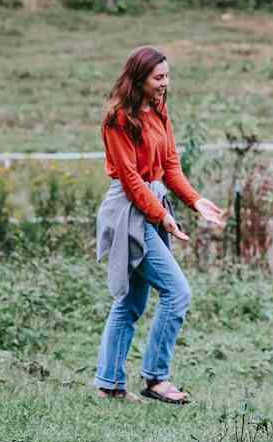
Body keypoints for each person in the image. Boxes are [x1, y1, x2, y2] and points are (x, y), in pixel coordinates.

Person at [94, 46, 225, 403]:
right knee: (177, 292)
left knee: (132, 301)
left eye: (167, 76)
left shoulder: (160, 111)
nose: (165, 83)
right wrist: (162, 217)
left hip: (153, 202)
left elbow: (170, 166)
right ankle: (155, 379)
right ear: (139, 78)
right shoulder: (119, 118)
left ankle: (109, 385)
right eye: (158, 77)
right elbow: (131, 179)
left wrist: (195, 201)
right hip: (128, 209)